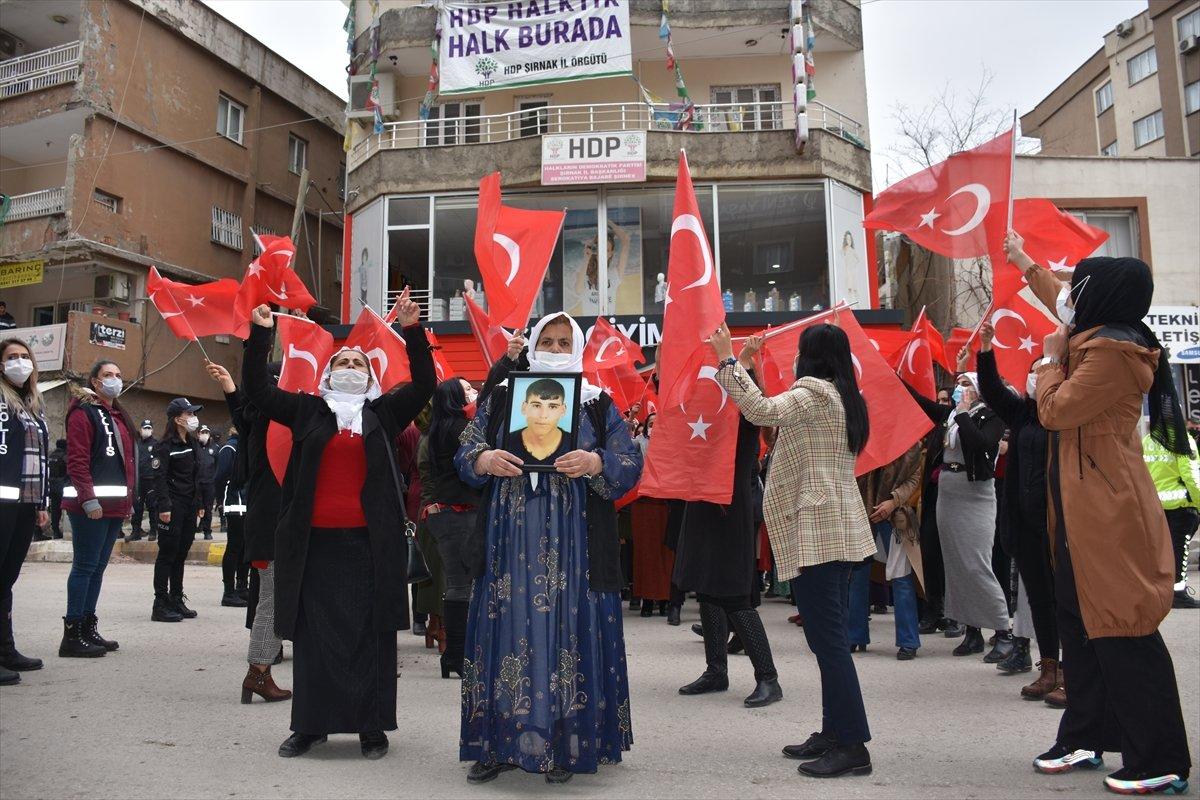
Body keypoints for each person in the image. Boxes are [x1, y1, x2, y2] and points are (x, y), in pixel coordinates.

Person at [1006, 233, 1192, 793]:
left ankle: (1159, 759)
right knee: (1081, 627)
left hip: (1110, 514)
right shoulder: (1097, 334)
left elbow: (1057, 411)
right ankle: (1086, 736)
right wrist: (1020, 260)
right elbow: (1059, 301)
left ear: (1102, 296)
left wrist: (1048, 362)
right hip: (1081, 511)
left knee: (1123, 630)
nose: (1069, 294)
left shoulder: (1111, 351)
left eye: (1079, 285)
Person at [455, 312, 642, 785]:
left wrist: (596, 459)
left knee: (568, 633)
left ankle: (566, 744)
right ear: (534, 343)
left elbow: (629, 459)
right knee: (507, 631)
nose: (556, 349)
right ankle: (498, 744)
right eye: (548, 341)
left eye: (564, 342)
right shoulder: (501, 398)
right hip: (508, 539)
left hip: (576, 544)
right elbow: (463, 450)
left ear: (576, 348)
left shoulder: (598, 403)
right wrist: (484, 457)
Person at [244, 294, 434, 760]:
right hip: (314, 547)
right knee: (314, 640)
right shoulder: (308, 411)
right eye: (342, 361)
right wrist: (260, 336)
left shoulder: (383, 414)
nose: (350, 366)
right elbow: (257, 392)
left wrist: (413, 332)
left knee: (370, 639)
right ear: (328, 373)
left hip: (370, 546)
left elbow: (424, 385)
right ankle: (310, 726)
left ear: (370, 376)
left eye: (358, 362)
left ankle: (372, 729)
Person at [710, 322, 874, 779]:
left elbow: (760, 410)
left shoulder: (814, 392)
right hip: (838, 531)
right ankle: (833, 732)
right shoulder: (843, 396)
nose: (797, 359)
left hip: (819, 533)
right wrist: (751, 364)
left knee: (830, 645)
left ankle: (854, 745)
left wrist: (727, 359)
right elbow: (774, 412)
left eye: (801, 352)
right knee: (828, 643)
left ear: (813, 357)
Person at [674, 394, 781, 707]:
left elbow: (755, 405)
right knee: (706, 589)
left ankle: (768, 678)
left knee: (734, 595)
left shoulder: (745, 409)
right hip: (702, 501)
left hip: (731, 505)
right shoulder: (706, 405)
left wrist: (742, 366)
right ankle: (716, 670)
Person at [976, 323, 1061, 701]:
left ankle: (1074, 672)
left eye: (1042, 369)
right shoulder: (1023, 415)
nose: (1033, 376)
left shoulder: (1063, 415)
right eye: (1032, 370)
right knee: (1039, 599)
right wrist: (985, 349)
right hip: (1025, 522)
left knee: (1066, 599)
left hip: (1058, 523)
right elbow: (993, 390)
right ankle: (1049, 668)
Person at [907, 361, 1012, 662]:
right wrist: (897, 379)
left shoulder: (990, 416)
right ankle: (972, 631)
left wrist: (964, 414)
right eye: (958, 384)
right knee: (954, 564)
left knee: (976, 562)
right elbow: (923, 404)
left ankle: (1003, 630)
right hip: (948, 492)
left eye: (966, 385)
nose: (959, 391)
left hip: (975, 494)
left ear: (978, 390)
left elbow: (980, 444)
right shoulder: (950, 415)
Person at [205, 360, 290, 704]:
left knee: (274, 600)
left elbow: (244, 413)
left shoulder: (263, 421)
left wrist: (229, 387)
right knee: (271, 601)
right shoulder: (272, 423)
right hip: (271, 526)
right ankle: (257, 674)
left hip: (270, 525)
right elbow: (248, 413)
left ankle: (259, 673)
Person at [61, 359, 134, 657]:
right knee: (85, 567)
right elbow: (77, 460)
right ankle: (72, 634)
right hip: (90, 507)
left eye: (118, 374)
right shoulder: (83, 412)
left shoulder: (116, 414)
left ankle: (88, 626)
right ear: (94, 381)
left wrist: (128, 503)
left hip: (114, 506)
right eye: (107, 375)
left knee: (97, 569)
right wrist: (89, 499)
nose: (114, 380)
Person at [423, 378, 481, 679]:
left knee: (459, 583)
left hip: (447, 513)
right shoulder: (460, 430)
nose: (474, 393)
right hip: (458, 513)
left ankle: (455, 654)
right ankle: (457, 655)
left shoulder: (440, 428)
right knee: (461, 585)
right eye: (468, 390)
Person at [0, 338, 50, 683]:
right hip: (2, 502)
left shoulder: (33, 404)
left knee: (6, 579)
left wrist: (42, 503)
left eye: (24, 356)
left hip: (25, 502)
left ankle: (5, 649)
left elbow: (41, 458)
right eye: (11, 357)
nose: (20, 362)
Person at [851, 442, 924, 660]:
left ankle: (908, 641)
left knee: (901, 578)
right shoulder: (861, 436)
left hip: (896, 515)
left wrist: (892, 502)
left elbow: (915, 477)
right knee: (857, 576)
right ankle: (854, 635)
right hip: (863, 512)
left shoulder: (909, 440)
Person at [147, 397, 205, 623]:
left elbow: (196, 476)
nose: (193, 418)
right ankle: (159, 603)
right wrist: (164, 506)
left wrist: (200, 504)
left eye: (193, 413)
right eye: (189, 414)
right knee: (167, 554)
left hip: (190, 505)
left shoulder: (191, 443)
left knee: (181, 554)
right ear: (177, 418)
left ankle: (176, 598)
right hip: (172, 506)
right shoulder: (164, 447)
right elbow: (159, 478)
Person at [1142, 429, 1200, 609]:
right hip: (1181, 505)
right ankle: (1178, 594)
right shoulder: (1182, 439)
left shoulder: (1147, 440)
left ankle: (1160, 594)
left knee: (1159, 553)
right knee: (1179, 550)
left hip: (1155, 506)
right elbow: (1191, 474)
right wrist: (1198, 501)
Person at [917, 388, 953, 634]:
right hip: (932, 495)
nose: (941, 403)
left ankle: (955, 614)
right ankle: (934, 610)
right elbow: (918, 401)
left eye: (946, 399)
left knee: (952, 557)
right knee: (930, 553)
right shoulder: (944, 417)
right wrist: (893, 377)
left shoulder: (966, 418)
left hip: (957, 497)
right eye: (939, 400)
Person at [214, 425, 248, 607]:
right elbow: (220, 477)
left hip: (247, 503)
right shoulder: (229, 448)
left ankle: (242, 586)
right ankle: (229, 591)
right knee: (234, 547)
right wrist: (221, 501)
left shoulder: (245, 447)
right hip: (235, 503)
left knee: (245, 546)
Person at [129, 421, 158, 541]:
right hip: (138, 481)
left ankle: (153, 531)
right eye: (144, 428)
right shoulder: (136, 444)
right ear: (140, 429)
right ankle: (136, 532)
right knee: (137, 507)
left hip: (151, 480)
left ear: (152, 430)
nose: (146, 430)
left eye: (149, 428)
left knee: (152, 506)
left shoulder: (156, 444)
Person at [196, 424, 217, 540]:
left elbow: (217, 465)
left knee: (208, 508)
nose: (204, 435)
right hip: (196, 483)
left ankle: (207, 531)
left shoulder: (214, 448)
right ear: (198, 434)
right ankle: (191, 532)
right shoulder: (195, 447)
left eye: (206, 432)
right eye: (202, 432)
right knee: (195, 507)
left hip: (209, 483)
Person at [45, 438, 67, 540]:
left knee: (55, 509)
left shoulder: (51, 456)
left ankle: (56, 531)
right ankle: (68, 531)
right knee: (68, 508)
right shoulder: (64, 456)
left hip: (51, 484)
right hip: (61, 484)